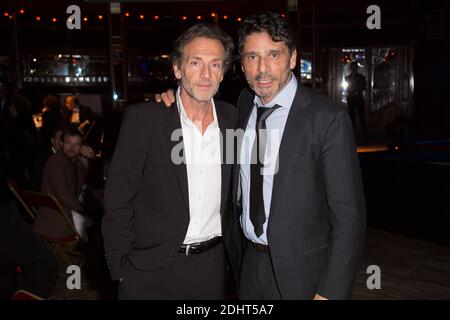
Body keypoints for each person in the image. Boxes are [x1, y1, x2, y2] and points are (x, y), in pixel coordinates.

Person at [158, 12, 366, 300]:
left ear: (292, 58)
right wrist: (170, 97)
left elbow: (349, 218)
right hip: (248, 266)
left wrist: (330, 291)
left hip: (305, 275)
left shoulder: (327, 119)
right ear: (242, 65)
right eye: (252, 57)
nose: (262, 68)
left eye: (273, 55)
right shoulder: (240, 108)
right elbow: (196, 100)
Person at [102, 23, 242, 299]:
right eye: (195, 63)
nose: (205, 74)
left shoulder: (234, 120)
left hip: (210, 269)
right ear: (177, 69)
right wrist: (119, 270)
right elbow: (117, 198)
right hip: (147, 269)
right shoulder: (145, 119)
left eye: (215, 64)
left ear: (223, 72)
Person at [33, 127, 96, 240]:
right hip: (55, 222)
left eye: (76, 144)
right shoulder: (56, 162)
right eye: (68, 143)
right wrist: (85, 210)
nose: (71, 148)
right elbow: (64, 196)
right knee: (97, 226)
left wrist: (88, 159)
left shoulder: (73, 162)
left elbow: (84, 181)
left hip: (64, 217)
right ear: (61, 143)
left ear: (81, 147)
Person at [346, 61, 369, 138]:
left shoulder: (361, 77)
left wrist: (356, 91)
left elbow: (363, 87)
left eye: (354, 67)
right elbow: (347, 88)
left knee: (361, 116)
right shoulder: (348, 78)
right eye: (352, 67)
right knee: (352, 117)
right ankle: (352, 134)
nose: (353, 69)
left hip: (358, 98)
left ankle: (365, 133)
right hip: (351, 98)